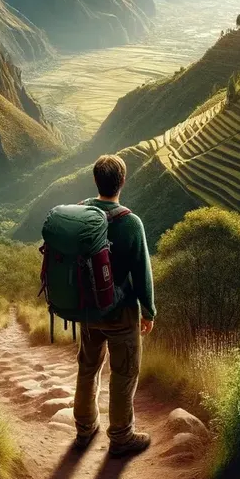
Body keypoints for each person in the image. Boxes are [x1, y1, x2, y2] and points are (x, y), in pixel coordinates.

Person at [72, 154, 156, 455]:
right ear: (122, 182)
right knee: (124, 371)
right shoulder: (130, 223)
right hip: (120, 314)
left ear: (95, 180)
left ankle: (85, 429)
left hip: (87, 309)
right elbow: (142, 272)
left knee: (88, 367)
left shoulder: (78, 213)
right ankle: (121, 436)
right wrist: (149, 312)